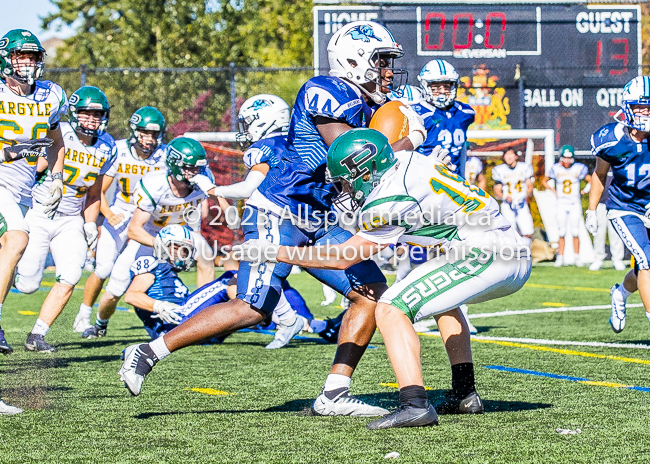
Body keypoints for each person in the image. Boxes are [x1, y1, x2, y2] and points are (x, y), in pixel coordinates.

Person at [117, 21, 429, 417]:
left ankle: (333, 393)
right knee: (254, 306)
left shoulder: (366, 101)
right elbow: (354, 155)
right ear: (354, 61)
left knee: (370, 290)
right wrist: (408, 139)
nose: (388, 70)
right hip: (280, 208)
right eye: (381, 61)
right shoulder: (327, 90)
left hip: (318, 214)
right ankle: (148, 351)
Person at [234, 129, 531, 428]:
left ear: (365, 172)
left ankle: (414, 405)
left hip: (486, 254)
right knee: (442, 300)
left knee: (389, 307)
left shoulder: (388, 200)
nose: (343, 191)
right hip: (508, 250)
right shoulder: (407, 160)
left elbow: (342, 257)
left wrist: (276, 251)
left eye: (345, 183)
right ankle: (464, 393)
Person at [14, 86, 116, 352]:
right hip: (40, 211)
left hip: (71, 219)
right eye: (86, 113)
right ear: (73, 112)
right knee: (27, 285)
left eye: (98, 114)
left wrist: (90, 223)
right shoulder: (62, 133)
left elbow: (94, 191)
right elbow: (33, 168)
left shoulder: (107, 146)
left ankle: (37, 335)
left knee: (70, 275)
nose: (92, 119)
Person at [81, 137, 215, 339]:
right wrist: (164, 247)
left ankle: (202, 315)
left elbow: (195, 211)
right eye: (189, 168)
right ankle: (100, 323)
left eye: (198, 168)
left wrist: (191, 237)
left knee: (205, 254)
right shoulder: (155, 184)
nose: (195, 173)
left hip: (180, 232)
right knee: (116, 287)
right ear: (174, 165)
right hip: (150, 236)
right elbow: (135, 230)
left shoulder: (203, 179)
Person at [0, 29, 68, 354]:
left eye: (32, 56)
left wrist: (57, 178)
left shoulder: (50, 95)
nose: (26, 62)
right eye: (19, 55)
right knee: (17, 238)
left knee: (20, 270)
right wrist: (10, 152)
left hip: (23, 192)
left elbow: (56, 142)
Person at [73, 107, 168, 333]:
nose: (150, 139)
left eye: (154, 134)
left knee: (123, 278)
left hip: (147, 221)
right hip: (120, 214)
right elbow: (99, 191)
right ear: (135, 131)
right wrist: (107, 212)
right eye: (145, 133)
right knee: (103, 268)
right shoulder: (119, 150)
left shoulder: (165, 155)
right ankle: (83, 314)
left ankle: (101, 322)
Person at [587, 75, 650, 333]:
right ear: (627, 107)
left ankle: (620, 293)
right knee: (646, 260)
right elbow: (600, 175)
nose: (646, 112)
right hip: (625, 208)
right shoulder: (612, 139)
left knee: (643, 267)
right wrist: (591, 211)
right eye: (641, 107)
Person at [413, 59, 475, 175]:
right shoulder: (416, 113)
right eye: (436, 87)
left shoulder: (464, 112)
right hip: (425, 179)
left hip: (455, 178)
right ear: (426, 86)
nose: (442, 92)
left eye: (446, 87)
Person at [542, 145, 591, 267]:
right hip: (561, 203)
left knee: (575, 231)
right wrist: (553, 190)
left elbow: (591, 180)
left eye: (569, 158)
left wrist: (584, 191)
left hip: (574, 203)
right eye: (565, 157)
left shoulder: (579, 168)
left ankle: (577, 257)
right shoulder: (556, 168)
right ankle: (561, 257)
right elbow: (544, 181)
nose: (567, 160)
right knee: (561, 231)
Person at [492, 148, 535, 245]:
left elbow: (530, 185)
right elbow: (497, 190)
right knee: (509, 232)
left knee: (527, 231)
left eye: (511, 154)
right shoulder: (499, 170)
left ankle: (526, 253)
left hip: (521, 203)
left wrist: (523, 195)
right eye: (506, 154)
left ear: (516, 156)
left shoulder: (524, 167)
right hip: (507, 204)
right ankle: (513, 256)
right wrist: (505, 197)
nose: (509, 157)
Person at [589, 171, 625, 271]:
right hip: (601, 203)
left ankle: (617, 259)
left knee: (615, 232)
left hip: (615, 203)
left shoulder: (619, 166)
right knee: (599, 231)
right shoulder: (601, 165)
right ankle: (598, 258)